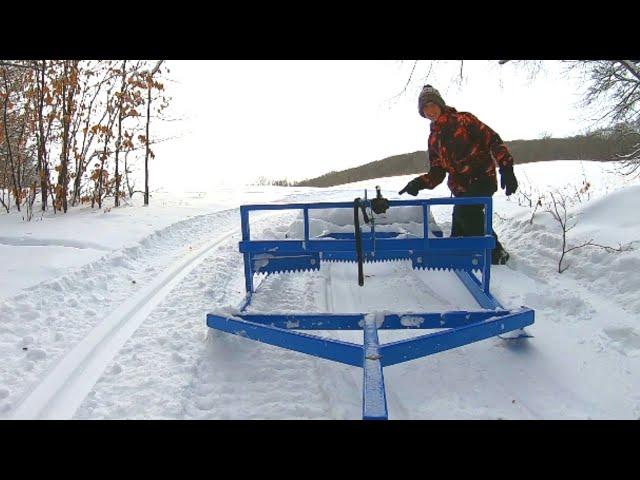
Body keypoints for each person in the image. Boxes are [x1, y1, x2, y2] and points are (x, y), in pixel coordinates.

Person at [398, 84, 518, 265]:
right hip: (460, 187)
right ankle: (463, 257)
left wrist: (506, 167)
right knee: (459, 229)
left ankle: (496, 255)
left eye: (432, 105)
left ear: (440, 104)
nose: (430, 111)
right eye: (425, 108)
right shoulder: (433, 139)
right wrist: (418, 183)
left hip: (482, 178)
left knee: (468, 213)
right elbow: (437, 171)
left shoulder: (463, 120)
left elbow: (492, 139)